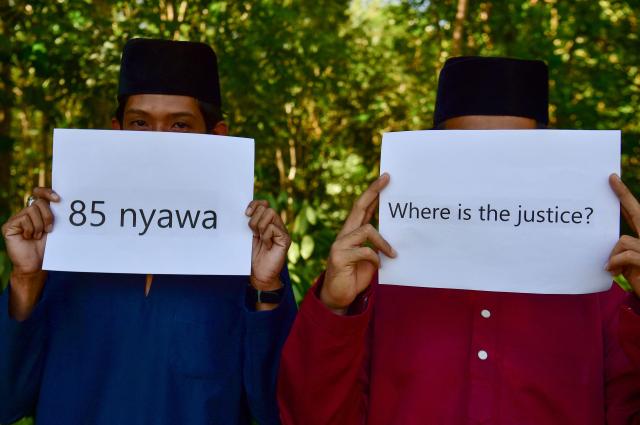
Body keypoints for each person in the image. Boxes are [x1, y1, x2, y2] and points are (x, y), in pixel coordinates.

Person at [277, 57, 640, 424]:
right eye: (468, 152)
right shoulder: (380, 291)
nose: (490, 176)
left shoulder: (597, 297)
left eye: (513, 156)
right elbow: (310, 414)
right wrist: (336, 309)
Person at [0, 38, 296, 425]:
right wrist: (26, 278)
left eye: (180, 124)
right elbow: (7, 401)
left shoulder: (247, 254)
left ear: (217, 136)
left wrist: (265, 285)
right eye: (140, 122)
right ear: (117, 130)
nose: (157, 138)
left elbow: (278, 409)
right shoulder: (64, 243)